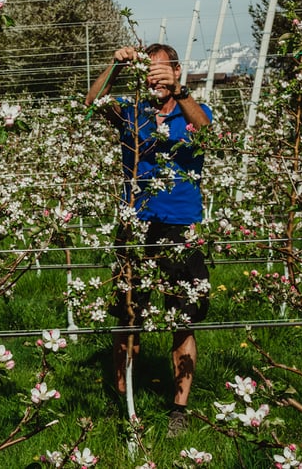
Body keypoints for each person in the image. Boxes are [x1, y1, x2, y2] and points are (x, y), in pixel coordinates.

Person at [84, 43, 212, 437]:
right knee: (128, 319)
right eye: (148, 70)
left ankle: (178, 411)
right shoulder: (131, 110)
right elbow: (91, 104)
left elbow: (206, 134)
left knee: (183, 320)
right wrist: (117, 66)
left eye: (161, 71)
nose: (154, 78)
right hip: (134, 225)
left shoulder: (192, 111)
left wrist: (180, 90)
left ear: (176, 71)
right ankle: (126, 406)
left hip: (179, 226)